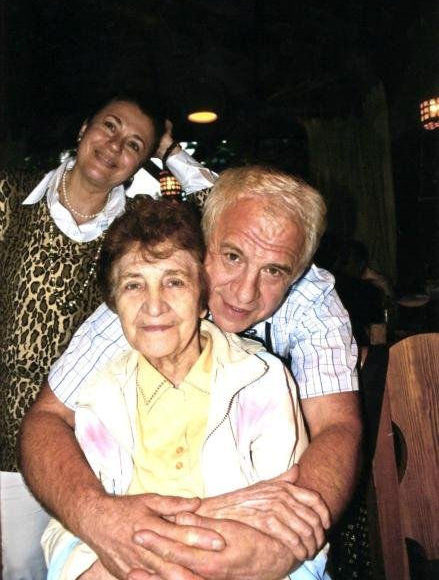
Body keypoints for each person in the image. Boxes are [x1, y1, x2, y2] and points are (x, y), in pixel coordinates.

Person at [19, 165, 361, 580]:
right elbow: (47, 417)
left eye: (274, 271)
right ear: (203, 243)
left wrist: (284, 545)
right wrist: (98, 517)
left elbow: (337, 426)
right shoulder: (149, 305)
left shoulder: (311, 308)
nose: (245, 291)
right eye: (232, 256)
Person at [0, 91, 216, 580]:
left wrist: (172, 152)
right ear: (84, 128)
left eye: (135, 144)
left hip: (99, 439)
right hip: (7, 436)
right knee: (21, 567)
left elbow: (222, 217)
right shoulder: (13, 195)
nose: (116, 145)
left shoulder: (137, 223)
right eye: (110, 126)